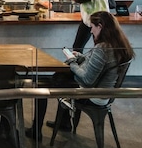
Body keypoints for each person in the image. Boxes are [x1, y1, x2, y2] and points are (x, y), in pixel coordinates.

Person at [26, 11, 135, 140]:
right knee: (61, 77)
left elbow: (87, 80)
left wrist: (72, 63)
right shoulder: (119, 45)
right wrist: (82, 58)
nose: (91, 31)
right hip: (105, 92)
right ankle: (64, 122)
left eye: (92, 27)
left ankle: (37, 131)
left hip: (93, 94)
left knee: (42, 86)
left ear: (100, 26)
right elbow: (99, 66)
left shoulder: (102, 48)